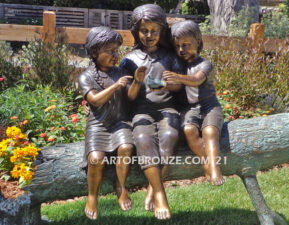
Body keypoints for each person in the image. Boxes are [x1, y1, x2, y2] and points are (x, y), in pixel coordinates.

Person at [120, 4, 184, 220]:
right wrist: (137, 82)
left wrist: (167, 84)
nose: (149, 35)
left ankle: (151, 188)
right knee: (142, 138)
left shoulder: (169, 56)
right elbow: (128, 96)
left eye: (154, 31)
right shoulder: (129, 60)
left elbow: (180, 85)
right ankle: (161, 195)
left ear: (162, 31)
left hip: (167, 109)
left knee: (169, 136)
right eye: (144, 31)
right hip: (141, 111)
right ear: (136, 32)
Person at [78, 26, 144, 220]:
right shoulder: (86, 77)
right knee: (96, 159)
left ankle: (121, 186)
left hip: (119, 122)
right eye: (110, 51)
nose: (115, 55)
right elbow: (95, 100)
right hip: (98, 124)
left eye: (117, 51)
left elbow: (131, 96)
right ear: (94, 52)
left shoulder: (120, 72)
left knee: (126, 147)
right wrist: (116, 86)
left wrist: (137, 82)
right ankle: (92, 196)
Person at [163, 20, 225, 186]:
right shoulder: (180, 67)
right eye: (177, 46)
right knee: (189, 129)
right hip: (191, 109)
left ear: (197, 42)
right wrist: (160, 84)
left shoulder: (205, 64)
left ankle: (215, 168)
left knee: (210, 132)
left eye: (185, 45)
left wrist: (177, 77)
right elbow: (174, 85)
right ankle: (206, 163)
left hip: (209, 106)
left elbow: (197, 80)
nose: (181, 50)